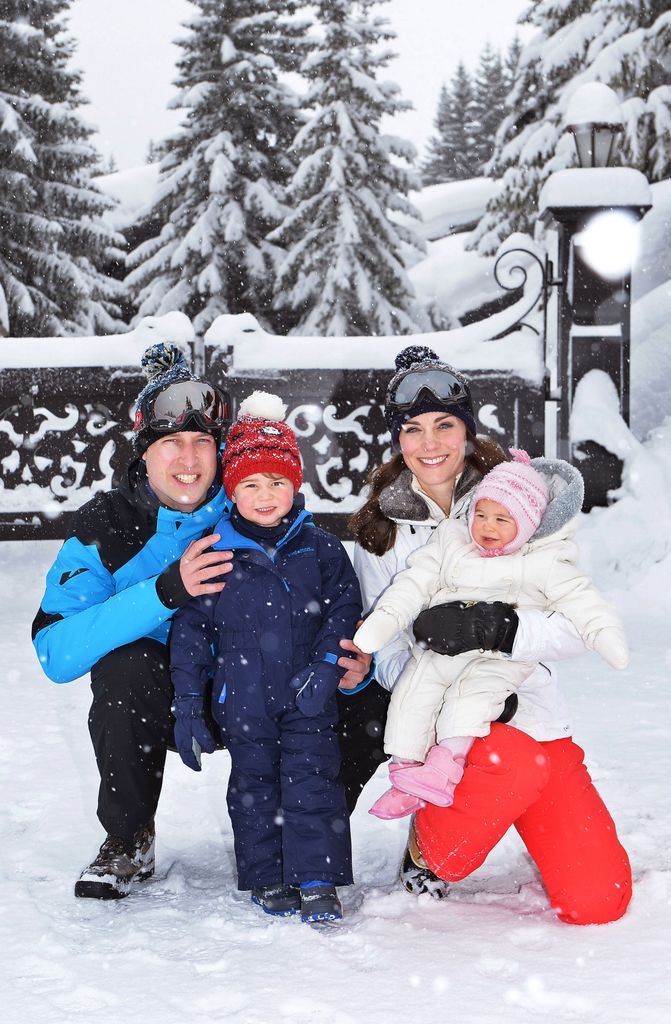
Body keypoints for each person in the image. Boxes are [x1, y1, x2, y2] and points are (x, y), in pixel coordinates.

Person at [31, 343, 369, 901]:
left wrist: (353, 660)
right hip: (177, 696)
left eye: (201, 443)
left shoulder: (257, 502)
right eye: (170, 443)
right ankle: (128, 834)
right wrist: (165, 592)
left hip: (276, 685)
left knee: (364, 685)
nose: (187, 459)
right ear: (144, 452)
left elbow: (332, 596)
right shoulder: (107, 525)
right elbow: (55, 653)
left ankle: (306, 823)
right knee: (125, 667)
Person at [348, 344, 632, 924]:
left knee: (599, 901)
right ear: (398, 441)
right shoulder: (383, 530)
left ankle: (512, 807)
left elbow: (578, 623)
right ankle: (429, 847)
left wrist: (504, 630)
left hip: (537, 715)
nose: (430, 444)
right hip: (452, 724)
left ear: (468, 432)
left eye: (445, 426)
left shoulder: (523, 499)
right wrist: (448, 682)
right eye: (414, 429)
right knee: (507, 769)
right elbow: (385, 651)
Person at [169, 392, 362, 922]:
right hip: (244, 701)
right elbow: (189, 630)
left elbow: (345, 609)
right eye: (250, 483)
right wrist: (189, 702)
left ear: (295, 484)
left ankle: (318, 879)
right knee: (254, 789)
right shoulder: (214, 551)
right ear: (232, 489)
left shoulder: (320, 548)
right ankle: (268, 875)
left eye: (277, 482)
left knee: (313, 782)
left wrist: (327, 665)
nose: (265, 494)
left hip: (308, 694)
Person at [353, 451, 629, 818]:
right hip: (440, 651)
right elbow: (411, 584)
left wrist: (503, 630)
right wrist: (384, 624)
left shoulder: (541, 560)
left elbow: (583, 605)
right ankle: (405, 773)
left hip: (499, 664)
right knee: (412, 692)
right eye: (481, 515)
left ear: (528, 525)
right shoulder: (452, 543)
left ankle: (442, 767)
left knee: (468, 702)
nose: (487, 526)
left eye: (502, 519)